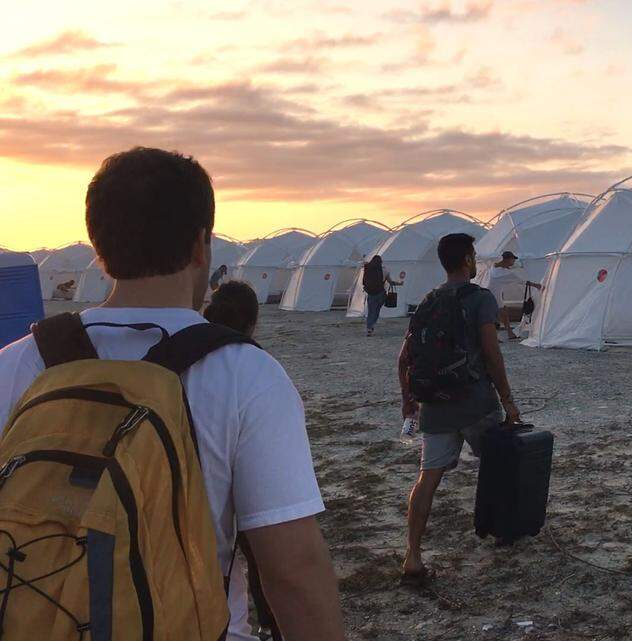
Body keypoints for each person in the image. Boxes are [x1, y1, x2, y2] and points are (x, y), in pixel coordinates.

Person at [0, 147, 346, 641]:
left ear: (99, 248)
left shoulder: (16, 363)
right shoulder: (246, 375)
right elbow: (291, 573)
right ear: (201, 245)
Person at [397, 233, 521, 584]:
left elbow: (404, 357)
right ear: (467, 260)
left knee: (428, 478)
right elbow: (491, 353)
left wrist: (409, 399)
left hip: (435, 405)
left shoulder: (428, 300)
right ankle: (502, 530)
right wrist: (508, 400)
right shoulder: (480, 299)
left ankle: (412, 556)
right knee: (498, 464)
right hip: (476, 403)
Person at [486, 251, 543, 340]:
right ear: (508, 260)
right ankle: (501, 335)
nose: (513, 262)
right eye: (513, 260)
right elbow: (521, 281)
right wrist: (536, 285)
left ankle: (507, 333)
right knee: (498, 314)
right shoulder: (506, 273)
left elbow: (499, 267)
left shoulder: (494, 267)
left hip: (489, 292)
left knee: (500, 313)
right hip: (495, 295)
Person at [362, 255, 403, 337]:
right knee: (377, 310)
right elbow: (390, 282)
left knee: (371, 311)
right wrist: (399, 283)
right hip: (381, 293)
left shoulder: (368, 268)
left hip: (370, 293)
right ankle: (372, 324)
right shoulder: (384, 270)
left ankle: (369, 328)